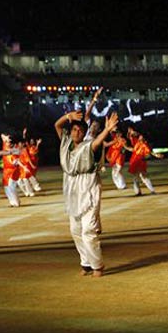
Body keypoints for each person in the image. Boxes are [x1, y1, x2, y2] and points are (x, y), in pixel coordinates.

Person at [54, 110, 119, 278]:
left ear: (84, 133)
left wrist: (107, 129)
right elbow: (57, 125)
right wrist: (67, 116)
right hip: (71, 187)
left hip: (88, 186)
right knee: (75, 229)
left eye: (80, 131)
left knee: (88, 230)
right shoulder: (65, 143)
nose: (77, 133)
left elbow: (97, 143)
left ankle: (98, 265)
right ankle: (86, 263)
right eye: (74, 130)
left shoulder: (87, 146)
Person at [1, 133, 21, 207]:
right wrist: (6, 138)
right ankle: (12, 201)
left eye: (9, 142)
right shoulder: (5, 146)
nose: (8, 143)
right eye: (7, 142)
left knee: (11, 186)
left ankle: (16, 201)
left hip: (13, 171)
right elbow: (2, 135)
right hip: (6, 171)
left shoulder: (16, 150)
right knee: (6, 187)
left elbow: (15, 160)